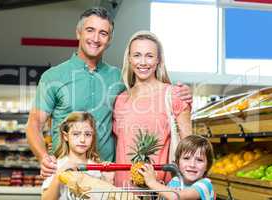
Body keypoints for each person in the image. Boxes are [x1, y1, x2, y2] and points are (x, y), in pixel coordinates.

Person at [26, 7, 192, 179]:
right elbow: (34, 124)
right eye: (90, 30)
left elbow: (150, 91)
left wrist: (180, 94)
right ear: (78, 33)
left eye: (103, 33)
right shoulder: (53, 76)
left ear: (109, 39)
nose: (96, 39)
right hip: (66, 173)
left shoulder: (119, 79)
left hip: (107, 176)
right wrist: (43, 157)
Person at [113, 31, 192, 186]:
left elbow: (189, 146)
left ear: (158, 60)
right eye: (137, 55)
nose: (143, 62)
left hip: (159, 188)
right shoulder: (121, 99)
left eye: (149, 56)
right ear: (129, 59)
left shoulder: (174, 95)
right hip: (122, 189)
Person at [41, 112, 113, 200]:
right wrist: (58, 176)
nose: (82, 140)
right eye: (76, 134)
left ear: (93, 137)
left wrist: (108, 181)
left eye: (87, 134)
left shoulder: (97, 170)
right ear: (65, 136)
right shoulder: (55, 166)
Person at [138, 135, 215, 200]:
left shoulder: (205, 185)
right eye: (186, 158)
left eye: (199, 160)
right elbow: (165, 196)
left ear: (207, 166)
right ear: (178, 163)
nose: (192, 164)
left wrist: (152, 182)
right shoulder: (176, 181)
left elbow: (176, 196)